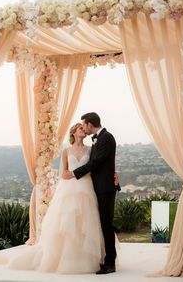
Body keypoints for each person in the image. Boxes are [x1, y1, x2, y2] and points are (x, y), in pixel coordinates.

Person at [7, 122, 118, 274]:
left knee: (88, 222)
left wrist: (113, 174)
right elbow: (63, 172)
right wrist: (67, 175)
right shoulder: (66, 151)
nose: (83, 130)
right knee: (68, 223)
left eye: (83, 127)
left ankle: (90, 258)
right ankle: (68, 258)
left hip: (86, 187)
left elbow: (96, 165)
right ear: (74, 132)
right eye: (80, 128)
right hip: (69, 189)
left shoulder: (91, 149)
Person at [63, 112, 118, 274]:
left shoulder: (106, 138)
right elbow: (101, 163)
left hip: (104, 189)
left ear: (88, 124)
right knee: (102, 224)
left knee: (106, 224)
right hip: (97, 187)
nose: (83, 129)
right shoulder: (98, 139)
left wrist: (73, 173)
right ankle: (105, 261)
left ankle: (110, 263)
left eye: (83, 125)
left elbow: (95, 162)